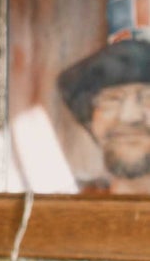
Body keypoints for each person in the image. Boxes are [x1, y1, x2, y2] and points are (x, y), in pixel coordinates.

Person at [58, 34, 150, 192]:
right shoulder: (66, 212)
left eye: (148, 99)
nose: (129, 116)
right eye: (112, 99)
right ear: (90, 120)